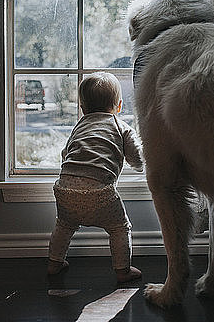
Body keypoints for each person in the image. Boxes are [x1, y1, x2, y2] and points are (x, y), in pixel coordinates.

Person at [47, 72, 144, 283]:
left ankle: (54, 263)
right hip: (101, 196)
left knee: (63, 226)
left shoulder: (79, 126)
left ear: (82, 108)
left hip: (65, 191)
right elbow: (137, 159)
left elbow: (65, 154)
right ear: (118, 106)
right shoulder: (120, 126)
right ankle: (122, 271)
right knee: (119, 228)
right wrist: (141, 166)